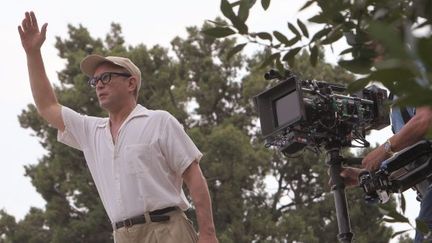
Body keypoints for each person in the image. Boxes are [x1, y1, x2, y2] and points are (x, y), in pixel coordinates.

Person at [18, 11, 218, 243]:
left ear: (131, 83)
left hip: (167, 231)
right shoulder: (91, 131)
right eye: (95, 81)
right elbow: (47, 106)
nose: (98, 86)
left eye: (106, 78)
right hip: (122, 235)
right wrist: (33, 53)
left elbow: (195, 178)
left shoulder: (159, 121)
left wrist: (208, 234)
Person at [339, 48, 432, 241]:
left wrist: (385, 149)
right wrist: (365, 177)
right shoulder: (396, 99)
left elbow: (425, 120)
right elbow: (416, 158)